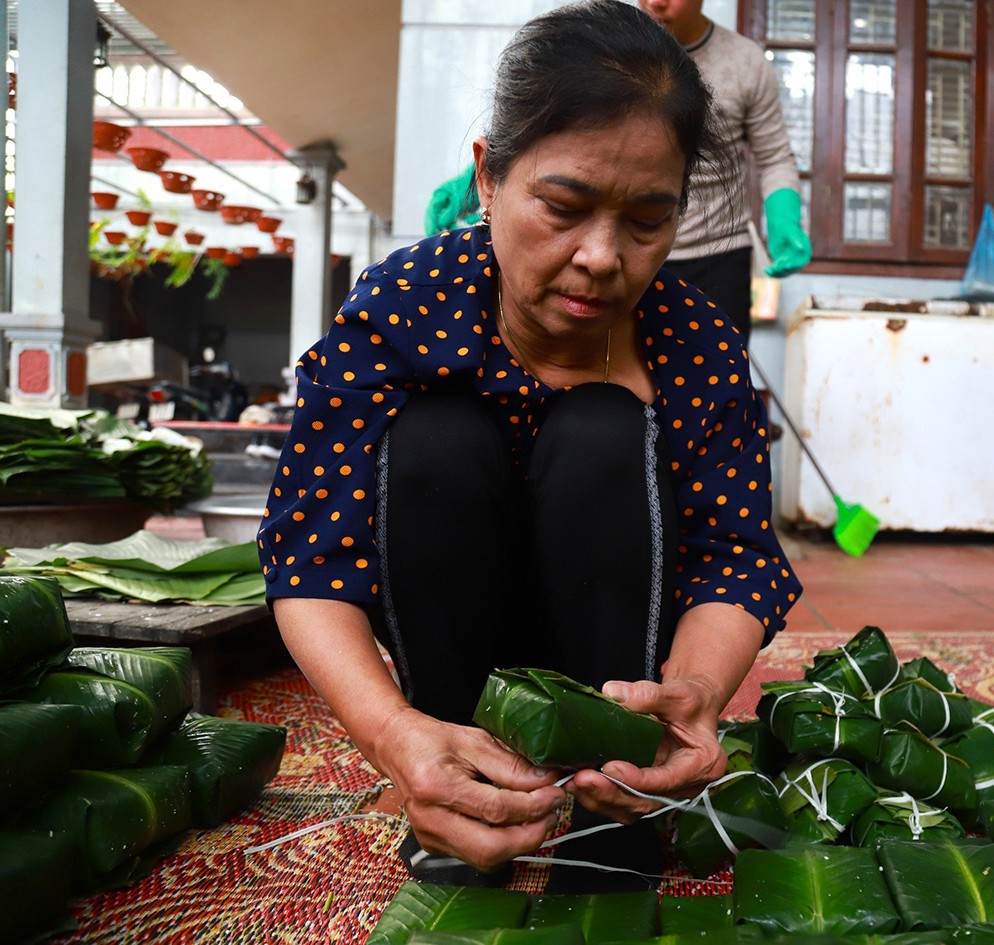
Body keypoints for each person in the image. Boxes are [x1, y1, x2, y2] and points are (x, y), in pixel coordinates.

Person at [257, 0, 801, 892]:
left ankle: (610, 812)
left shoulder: (694, 345)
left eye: (645, 221)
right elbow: (310, 559)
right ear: (489, 177)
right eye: (564, 205)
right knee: (436, 435)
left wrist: (695, 696)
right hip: (452, 656)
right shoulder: (404, 306)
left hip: (617, 658)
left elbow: (736, 559)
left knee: (600, 430)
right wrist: (396, 736)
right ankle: (457, 787)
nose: (600, 256)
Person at [638, 0, 811, 344]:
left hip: (718, 258)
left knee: (715, 388)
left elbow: (775, 156)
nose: (655, 2)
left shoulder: (745, 62)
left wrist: (784, 218)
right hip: (631, 252)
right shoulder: (609, 52)